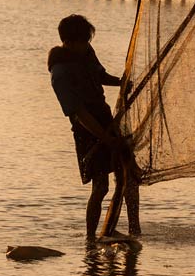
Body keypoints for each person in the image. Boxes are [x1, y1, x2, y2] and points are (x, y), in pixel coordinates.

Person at [48, 14, 140, 241]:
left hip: (105, 118)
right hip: (87, 130)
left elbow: (99, 75)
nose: (87, 45)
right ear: (69, 42)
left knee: (128, 175)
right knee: (101, 187)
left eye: (88, 40)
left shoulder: (87, 52)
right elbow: (79, 114)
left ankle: (133, 230)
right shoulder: (60, 73)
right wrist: (105, 139)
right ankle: (91, 238)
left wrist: (120, 82)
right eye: (83, 41)